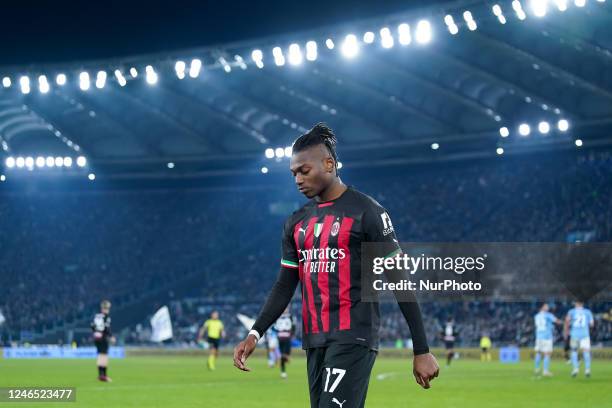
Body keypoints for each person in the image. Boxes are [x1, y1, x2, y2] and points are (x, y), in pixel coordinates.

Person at [233, 123, 439, 408]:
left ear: (329, 164)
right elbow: (285, 284)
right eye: (293, 173)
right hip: (314, 339)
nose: (297, 179)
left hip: (353, 335)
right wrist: (256, 332)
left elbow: (399, 280)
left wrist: (422, 349)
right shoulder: (296, 222)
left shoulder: (368, 212)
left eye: (304, 171)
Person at [564, 301, 594, 377]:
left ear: (576, 304)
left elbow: (567, 321)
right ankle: (587, 370)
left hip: (574, 334)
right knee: (586, 352)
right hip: (585, 335)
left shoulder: (571, 311)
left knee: (574, 351)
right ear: (582, 304)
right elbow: (591, 324)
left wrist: (566, 331)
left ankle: (575, 369)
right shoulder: (588, 312)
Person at [533, 303, 561, 376]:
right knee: (547, 353)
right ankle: (545, 371)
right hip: (547, 337)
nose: (548, 307)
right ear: (542, 307)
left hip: (539, 336)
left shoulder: (536, 316)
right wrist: (562, 322)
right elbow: (557, 321)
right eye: (546, 306)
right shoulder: (548, 315)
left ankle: (536, 369)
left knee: (538, 352)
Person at [91, 300, 115, 382]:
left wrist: (96, 333)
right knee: (104, 356)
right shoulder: (106, 317)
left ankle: (100, 375)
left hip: (96, 338)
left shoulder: (97, 316)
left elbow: (92, 326)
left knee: (100, 355)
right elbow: (107, 328)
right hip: (103, 338)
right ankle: (104, 375)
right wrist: (111, 336)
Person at [274, 306, 297, 378]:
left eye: (286, 308)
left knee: (286, 354)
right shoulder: (278, 316)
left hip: (287, 337)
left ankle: (284, 359)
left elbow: (293, 326)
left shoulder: (291, 317)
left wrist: (292, 335)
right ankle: (283, 371)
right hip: (280, 337)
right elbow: (275, 327)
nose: (285, 310)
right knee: (283, 355)